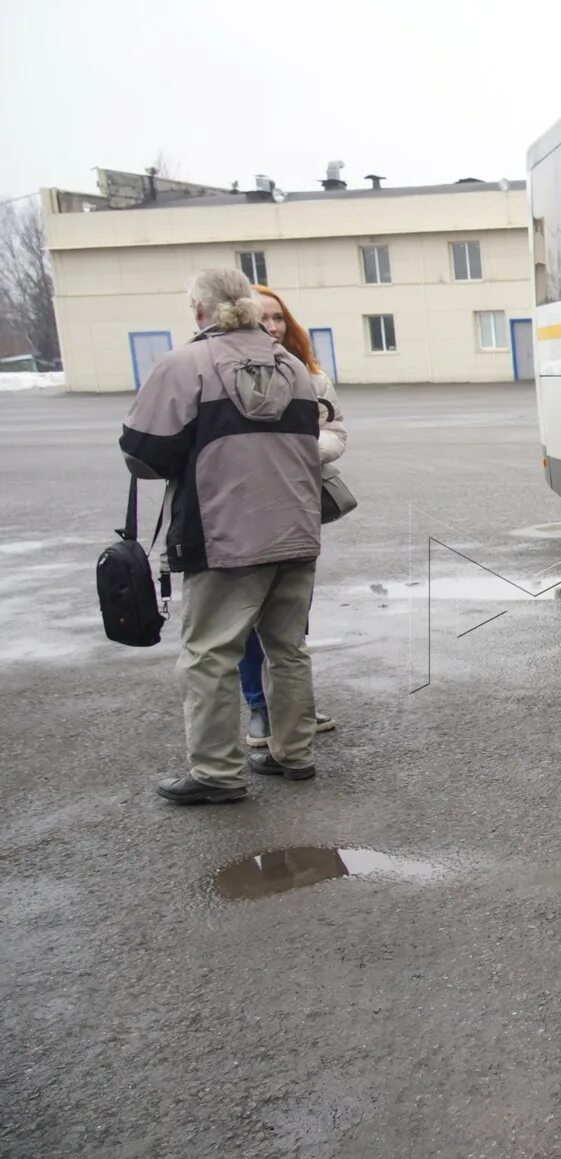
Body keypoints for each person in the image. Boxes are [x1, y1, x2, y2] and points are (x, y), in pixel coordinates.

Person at [119, 267, 323, 803]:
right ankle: (294, 754)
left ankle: (216, 773)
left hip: (224, 533)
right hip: (297, 530)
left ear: (199, 310)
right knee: (288, 648)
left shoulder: (185, 364)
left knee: (209, 653)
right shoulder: (293, 367)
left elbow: (142, 454)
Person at [239, 284, 346, 748]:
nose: (272, 326)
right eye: (261, 317)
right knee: (243, 618)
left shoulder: (312, 376)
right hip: (237, 515)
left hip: (295, 510)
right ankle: (259, 710)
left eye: (278, 317)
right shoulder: (222, 372)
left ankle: (293, 708)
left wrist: (301, 451)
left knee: (290, 619)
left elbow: (337, 434)